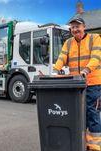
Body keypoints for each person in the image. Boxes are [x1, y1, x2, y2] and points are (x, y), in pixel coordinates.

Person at [53, 17, 101, 151]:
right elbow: (62, 57)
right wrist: (55, 70)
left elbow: (96, 57)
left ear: (84, 27)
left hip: (93, 83)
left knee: (93, 114)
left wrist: (86, 70)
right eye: (72, 27)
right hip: (76, 85)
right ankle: (82, 143)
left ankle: (95, 147)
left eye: (77, 26)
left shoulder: (95, 38)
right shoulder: (68, 43)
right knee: (78, 115)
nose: (75, 29)